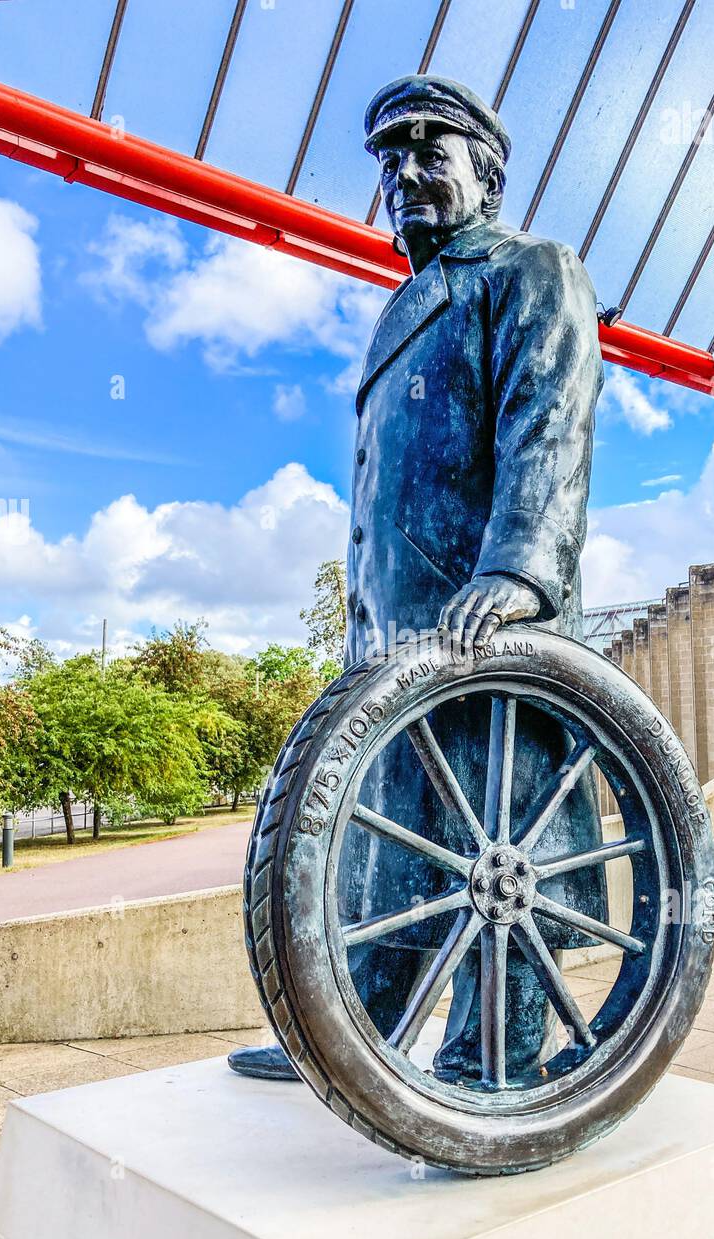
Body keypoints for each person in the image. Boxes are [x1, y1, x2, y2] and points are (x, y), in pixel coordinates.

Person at [230, 75, 606, 1084]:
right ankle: (350, 1035)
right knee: (387, 852)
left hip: (486, 631)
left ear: (486, 172)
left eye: (428, 154)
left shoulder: (530, 271)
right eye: (391, 161)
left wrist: (519, 570)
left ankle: (493, 1066)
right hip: (396, 636)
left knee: (496, 849)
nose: (403, 177)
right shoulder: (407, 306)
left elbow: (548, 421)